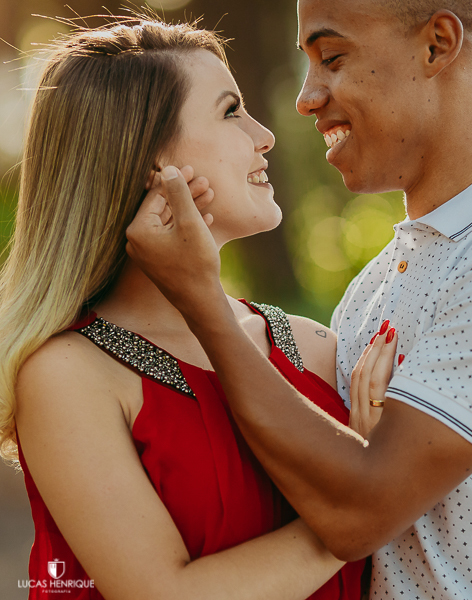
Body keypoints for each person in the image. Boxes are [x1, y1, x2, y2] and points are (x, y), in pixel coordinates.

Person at [126, 0, 472, 598]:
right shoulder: (377, 284)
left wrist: (203, 301)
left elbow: (356, 513)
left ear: (437, 44)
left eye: (332, 58)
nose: (306, 97)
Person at [0, 17, 376, 600]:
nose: (264, 134)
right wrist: (357, 516)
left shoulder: (316, 347)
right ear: (148, 161)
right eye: (230, 111)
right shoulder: (65, 376)